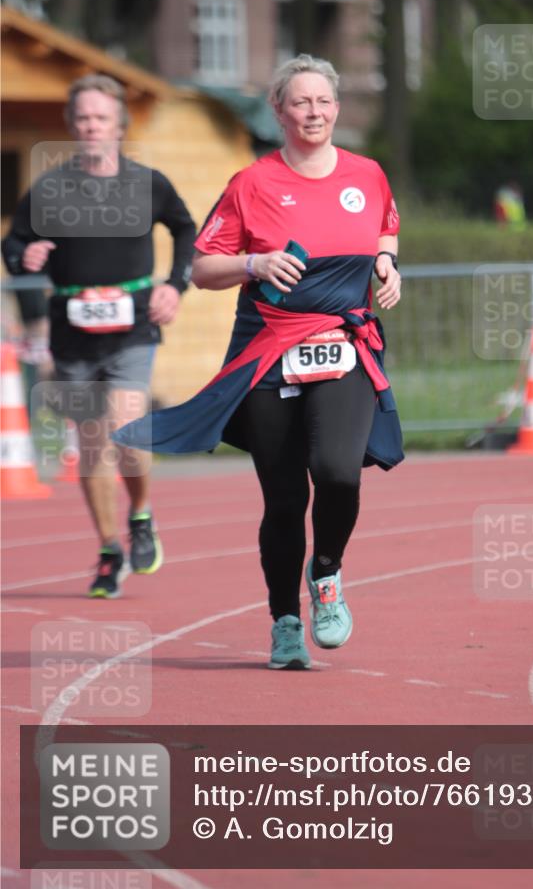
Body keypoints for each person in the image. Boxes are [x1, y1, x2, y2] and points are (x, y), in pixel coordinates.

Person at [114, 54, 403, 669]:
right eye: (300, 102)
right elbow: (201, 266)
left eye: (323, 101)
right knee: (282, 500)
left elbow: (383, 229)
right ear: (278, 110)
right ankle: (285, 621)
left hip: (343, 344)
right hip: (269, 351)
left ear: (337, 107)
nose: (314, 112)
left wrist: (386, 264)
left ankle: (325, 574)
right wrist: (255, 263)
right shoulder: (252, 183)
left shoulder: (368, 174)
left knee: (339, 473)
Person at [2, 74, 196, 598]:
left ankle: (141, 513)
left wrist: (175, 286)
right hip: (73, 333)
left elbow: (185, 229)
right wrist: (27, 256)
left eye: (101, 119)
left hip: (133, 328)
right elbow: (15, 244)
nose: (91, 127)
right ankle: (110, 551)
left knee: (126, 428)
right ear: (72, 126)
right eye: (83, 119)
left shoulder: (147, 184)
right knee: (90, 446)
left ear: (119, 127)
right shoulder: (50, 189)